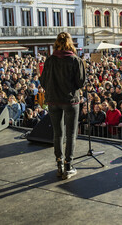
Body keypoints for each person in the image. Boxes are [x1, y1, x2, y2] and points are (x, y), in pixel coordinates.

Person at [40, 32, 86, 179]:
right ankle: (68, 166)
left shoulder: (49, 60)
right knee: (71, 134)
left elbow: (42, 82)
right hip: (70, 101)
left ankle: (59, 164)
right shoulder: (75, 60)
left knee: (58, 133)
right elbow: (81, 83)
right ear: (70, 42)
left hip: (53, 101)